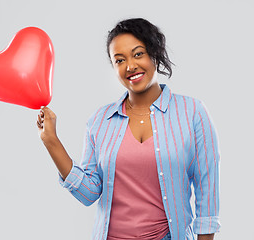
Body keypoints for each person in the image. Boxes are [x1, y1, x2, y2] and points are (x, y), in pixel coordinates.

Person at [37, 18, 220, 240]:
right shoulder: (100, 120)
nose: (130, 66)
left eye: (138, 54)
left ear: (155, 53)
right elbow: (89, 193)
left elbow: (207, 192)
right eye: (119, 60)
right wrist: (51, 141)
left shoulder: (192, 112)